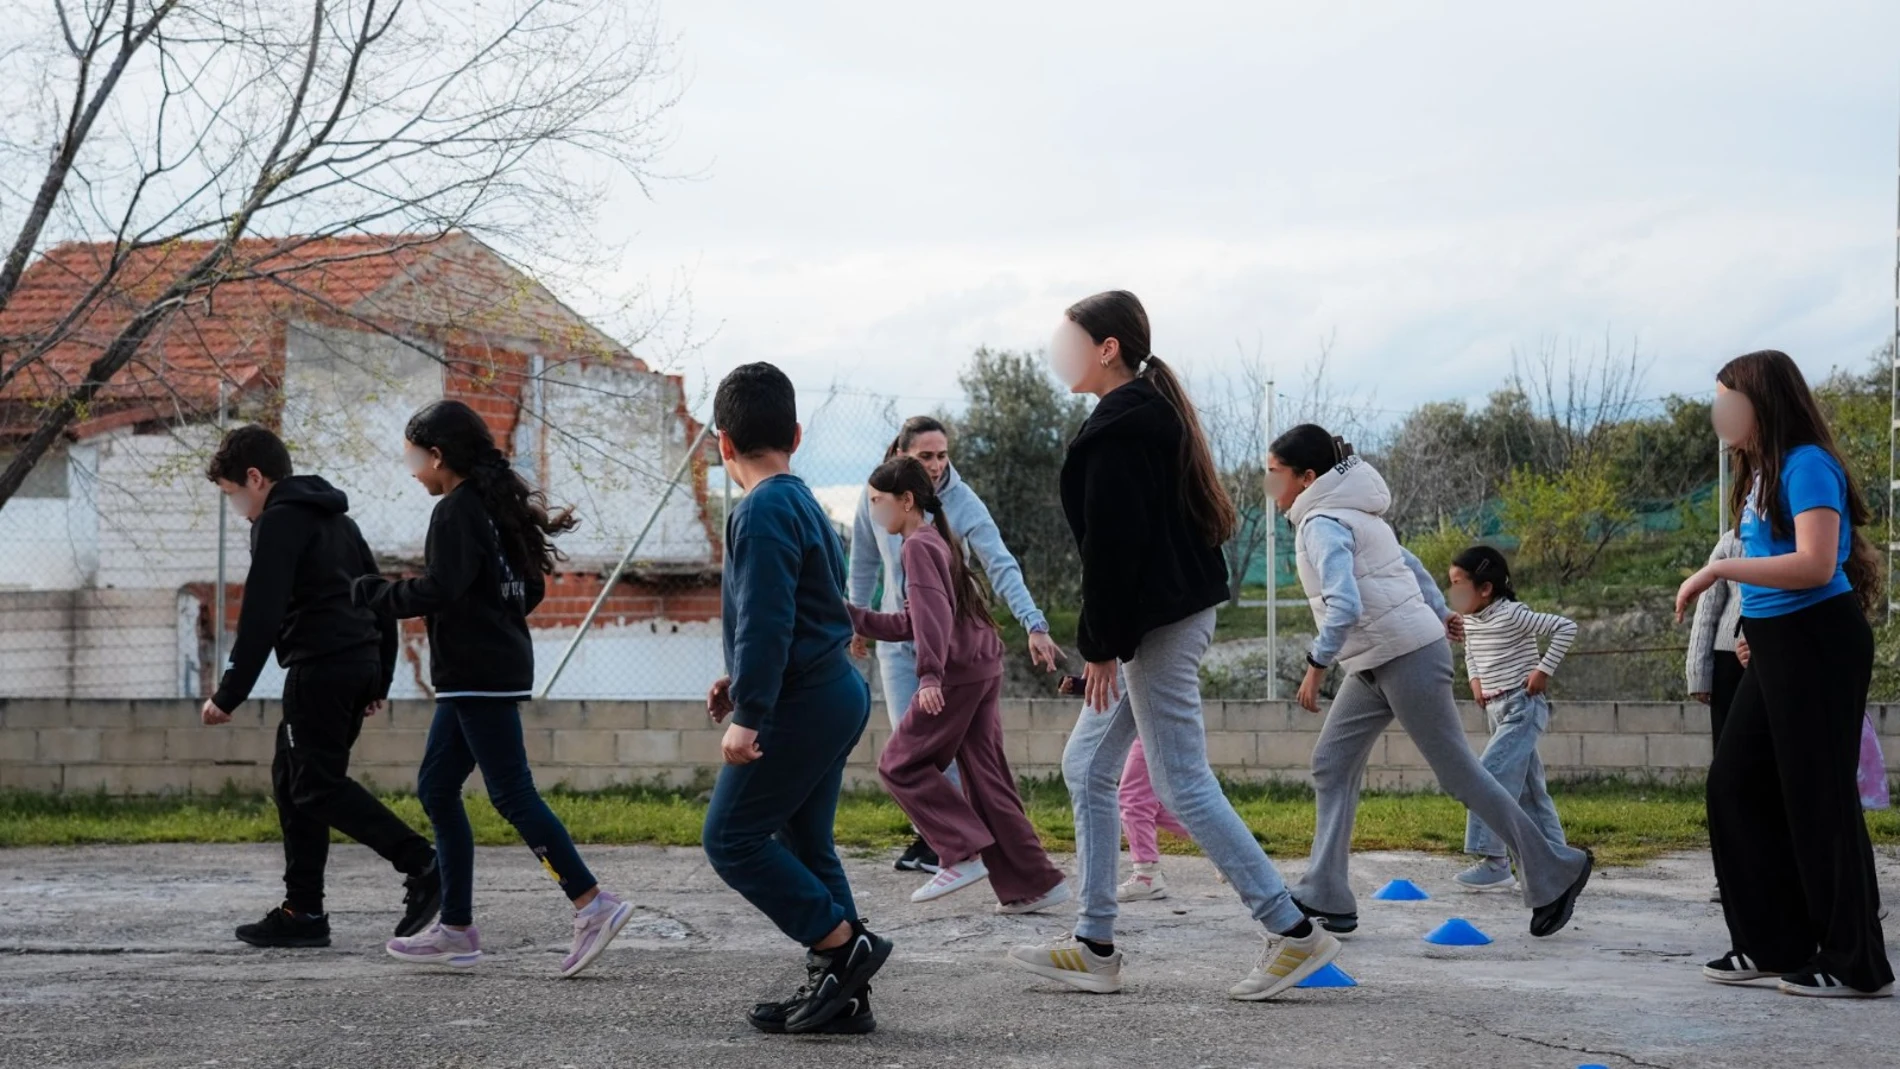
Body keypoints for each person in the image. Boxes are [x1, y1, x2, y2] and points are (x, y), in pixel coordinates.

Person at [1008, 290, 1340, 1002]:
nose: (1057, 354)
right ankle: (1095, 942)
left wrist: (1101, 645)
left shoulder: (1124, 428)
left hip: (1153, 624)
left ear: (1107, 348)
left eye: (1069, 340)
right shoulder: (1138, 416)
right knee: (1087, 764)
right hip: (1156, 618)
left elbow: (1114, 551)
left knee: (1179, 780)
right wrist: (1109, 640)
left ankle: (1293, 931)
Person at [1271, 424, 1594, 939]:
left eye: (1274, 473)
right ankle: (1326, 891)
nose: (1270, 485)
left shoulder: (1322, 522)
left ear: (1307, 477)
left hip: (1406, 656)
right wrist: (1440, 608)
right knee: (1331, 762)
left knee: (1459, 774)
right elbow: (1409, 562)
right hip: (1376, 659)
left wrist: (1316, 664)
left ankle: (1555, 868)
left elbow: (1345, 604)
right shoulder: (1354, 512)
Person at [356, 400, 633, 978]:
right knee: (436, 787)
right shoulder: (492, 505)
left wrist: (374, 595)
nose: (411, 470)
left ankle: (591, 903)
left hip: (477, 675)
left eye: (413, 457)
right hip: (483, 673)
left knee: (511, 794)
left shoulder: (457, 511)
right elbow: (527, 590)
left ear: (438, 456)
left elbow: (441, 588)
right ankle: (456, 928)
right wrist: (493, 616)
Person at [1676, 350, 1893, 998]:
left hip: (1819, 642)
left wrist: (1719, 569)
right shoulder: (1762, 472)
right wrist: (1749, 630)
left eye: (1728, 402)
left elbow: (1815, 564)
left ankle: (1854, 960)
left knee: (1818, 796)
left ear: (1763, 403)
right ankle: (1773, 942)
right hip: (1772, 641)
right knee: (1735, 785)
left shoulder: (1807, 466)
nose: (1719, 415)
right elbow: (1776, 568)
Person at [700, 363, 891, 1036]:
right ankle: (844, 994)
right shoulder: (805, 499)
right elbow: (804, 610)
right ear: (798, 435)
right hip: (834, 687)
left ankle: (844, 947)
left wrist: (752, 710)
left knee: (730, 837)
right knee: (807, 842)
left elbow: (769, 617)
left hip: (807, 696)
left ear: (722, 444)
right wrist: (744, 681)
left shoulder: (759, 508)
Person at [200, 426, 440, 949]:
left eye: (232, 494)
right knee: (293, 780)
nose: (237, 507)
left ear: (255, 478)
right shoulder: (338, 521)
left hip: (320, 669)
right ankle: (303, 912)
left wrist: (228, 693)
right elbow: (378, 595)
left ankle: (422, 861)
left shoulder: (277, 522)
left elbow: (261, 613)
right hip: (350, 667)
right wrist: (378, 674)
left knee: (313, 784)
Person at [846, 456, 1071, 914]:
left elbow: (934, 618)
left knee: (898, 764)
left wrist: (929, 675)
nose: (872, 512)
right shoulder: (933, 538)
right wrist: (850, 616)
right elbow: (914, 619)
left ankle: (961, 852)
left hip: (958, 672)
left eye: (877, 502)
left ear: (905, 501)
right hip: (981, 663)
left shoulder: (916, 546)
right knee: (988, 782)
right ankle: (1037, 884)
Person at [1446, 545, 1577, 892]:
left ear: (1485, 588)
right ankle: (1558, 864)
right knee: (1530, 794)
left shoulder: (1513, 614)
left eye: (1459, 583)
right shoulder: (1472, 620)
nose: (1453, 592)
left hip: (1522, 706)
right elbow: (1471, 652)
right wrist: (1474, 680)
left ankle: (1496, 860)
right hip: (1494, 710)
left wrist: (1543, 670)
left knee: (1486, 776)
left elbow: (1566, 627)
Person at [1684, 529, 1743, 903]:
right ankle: (1731, 874)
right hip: (1728, 666)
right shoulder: (1732, 541)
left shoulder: (1800, 536)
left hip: (1774, 656)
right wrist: (1698, 672)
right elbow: (1707, 609)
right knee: (1729, 772)